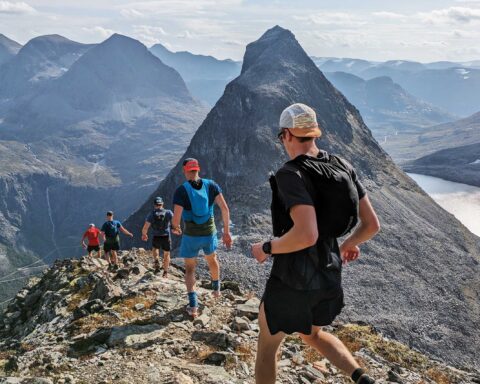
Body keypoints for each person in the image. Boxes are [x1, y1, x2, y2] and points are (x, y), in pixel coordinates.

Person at [251, 103, 380, 384]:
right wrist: (347, 243)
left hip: (293, 277)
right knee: (312, 334)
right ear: (313, 134)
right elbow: (371, 224)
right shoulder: (342, 165)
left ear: (286, 134)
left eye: (281, 137)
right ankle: (361, 378)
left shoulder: (290, 173)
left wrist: (266, 247)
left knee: (267, 347)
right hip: (329, 272)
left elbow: (306, 234)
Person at [171, 158, 233, 317]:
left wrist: (175, 228)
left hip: (191, 236)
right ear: (198, 169)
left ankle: (193, 306)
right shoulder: (211, 185)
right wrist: (226, 233)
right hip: (209, 233)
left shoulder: (181, 190)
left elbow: (176, 218)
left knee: (190, 268)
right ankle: (216, 290)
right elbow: (225, 209)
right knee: (212, 260)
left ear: (185, 171)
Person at [141, 196, 173, 277]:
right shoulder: (168, 212)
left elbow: (145, 227)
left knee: (155, 249)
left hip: (156, 236)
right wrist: (177, 229)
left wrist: (144, 234)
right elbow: (175, 223)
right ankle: (165, 272)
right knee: (167, 254)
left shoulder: (151, 214)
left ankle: (156, 261)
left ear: (154, 205)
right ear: (162, 204)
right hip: (166, 236)